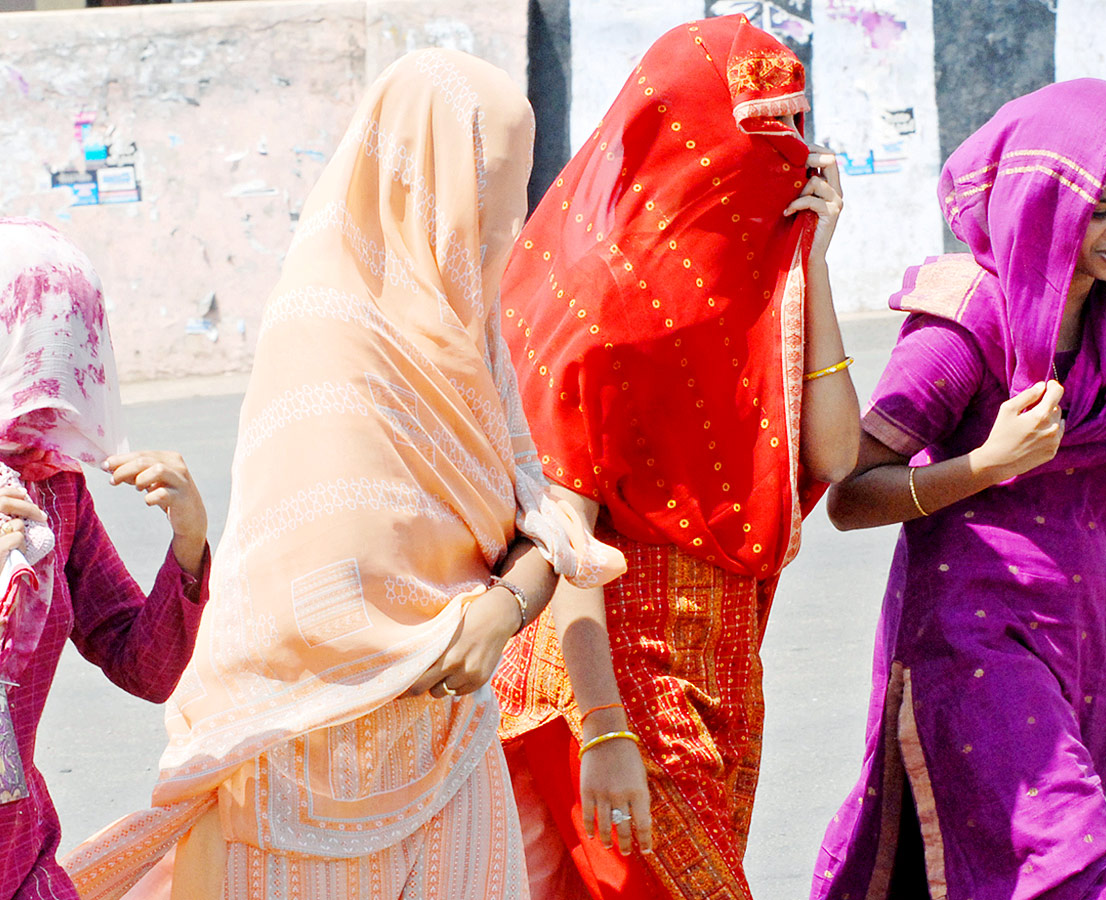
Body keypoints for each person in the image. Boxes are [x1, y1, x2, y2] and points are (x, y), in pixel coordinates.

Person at [64, 49, 623, 900]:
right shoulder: (329, 337)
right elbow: (307, 593)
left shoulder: (469, 339)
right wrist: (441, 627)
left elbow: (544, 520)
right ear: (427, 184)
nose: (514, 213)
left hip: (450, 753)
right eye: (495, 187)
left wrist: (502, 610)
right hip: (302, 771)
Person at [493, 15, 860, 900]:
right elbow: (564, 536)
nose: (786, 158)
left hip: (728, 669)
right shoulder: (600, 297)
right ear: (691, 136)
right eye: (761, 134)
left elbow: (838, 449)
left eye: (796, 130)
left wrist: (811, 261)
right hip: (616, 678)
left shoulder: (753, 281)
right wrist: (608, 731)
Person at [811, 79, 1106, 899]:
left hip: (1087, 646)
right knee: (1074, 871)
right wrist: (986, 464)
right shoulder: (971, 318)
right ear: (1046, 203)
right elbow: (850, 494)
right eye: (1100, 212)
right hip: (971, 650)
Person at [0, 217, 210, 899]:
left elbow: (141, 666)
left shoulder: (55, 491)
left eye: (73, 344)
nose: (56, 377)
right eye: (39, 344)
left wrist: (188, 541)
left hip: (21, 855)